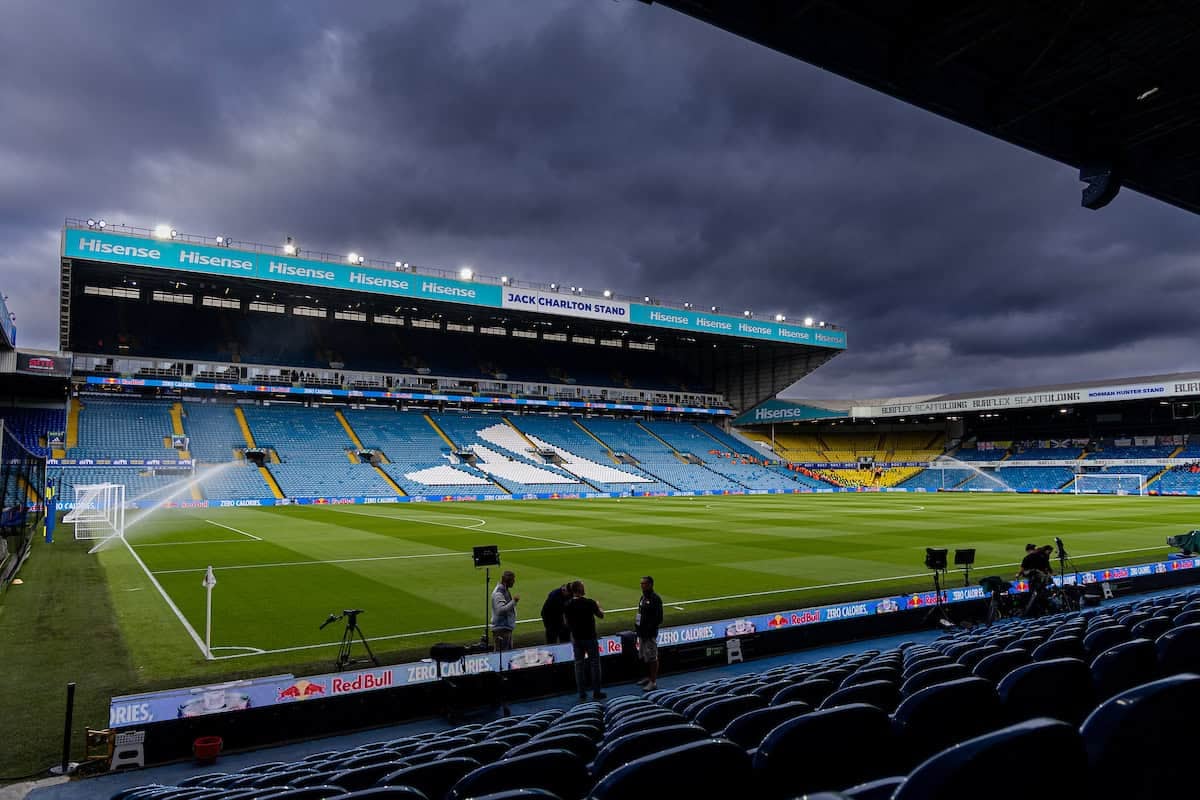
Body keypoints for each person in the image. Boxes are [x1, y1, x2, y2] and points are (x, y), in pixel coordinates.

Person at [564, 580, 606, 700]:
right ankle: (596, 692)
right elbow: (601, 615)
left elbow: (566, 623)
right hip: (590, 638)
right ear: (580, 589)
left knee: (579, 666)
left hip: (577, 638)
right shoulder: (589, 603)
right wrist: (598, 606)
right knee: (594, 665)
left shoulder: (568, 605)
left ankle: (582, 693)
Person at [635, 576, 664, 691]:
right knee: (643, 656)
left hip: (649, 634)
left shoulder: (655, 599)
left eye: (644, 584)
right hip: (642, 633)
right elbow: (640, 613)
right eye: (641, 583)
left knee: (652, 657)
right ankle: (647, 677)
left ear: (650, 585)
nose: (642, 586)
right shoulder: (643, 597)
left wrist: (648, 628)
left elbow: (659, 618)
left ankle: (653, 682)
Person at [1017, 544, 1055, 617]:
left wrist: (1018, 575)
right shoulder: (1042, 557)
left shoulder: (1027, 558)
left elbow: (1022, 569)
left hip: (1034, 580)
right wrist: (1050, 573)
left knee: (1033, 595)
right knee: (1042, 593)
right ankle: (1046, 610)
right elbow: (1047, 566)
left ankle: (1035, 612)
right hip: (1042, 579)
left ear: (1028, 550)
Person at [491, 570, 519, 651]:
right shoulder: (499, 592)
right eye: (513, 580)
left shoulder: (504, 589)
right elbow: (500, 610)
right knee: (502, 655)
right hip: (501, 630)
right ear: (507, 581)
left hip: (505, 628)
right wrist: (514, 601)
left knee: (507, 654)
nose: (514, 582)